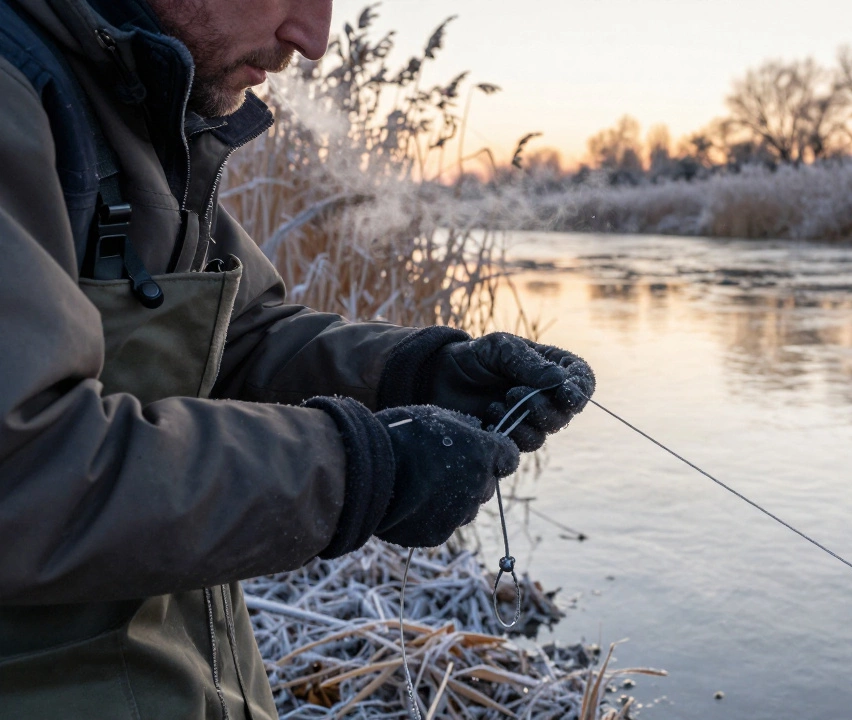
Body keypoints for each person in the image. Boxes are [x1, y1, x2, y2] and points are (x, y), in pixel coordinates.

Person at [0, 0, 595, 717]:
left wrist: (419, 372)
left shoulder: (127, 99)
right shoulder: (17, 87)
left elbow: (233, 338)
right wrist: (361, 469)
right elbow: (21, 475)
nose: (312, 40)